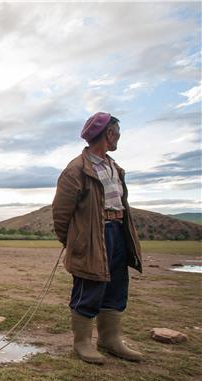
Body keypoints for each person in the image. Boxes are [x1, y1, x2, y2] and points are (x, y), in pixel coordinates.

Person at [52, 112, 143, 364]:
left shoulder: (114, 167)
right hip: (92, 236)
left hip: (117, 232)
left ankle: (110, 340)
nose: (118, 139)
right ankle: (82, 343)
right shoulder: (76, 170)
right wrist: (73, 241)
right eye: (117, 134)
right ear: (109, 134)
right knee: (89, 288)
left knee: (115, 287)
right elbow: (61, 214)